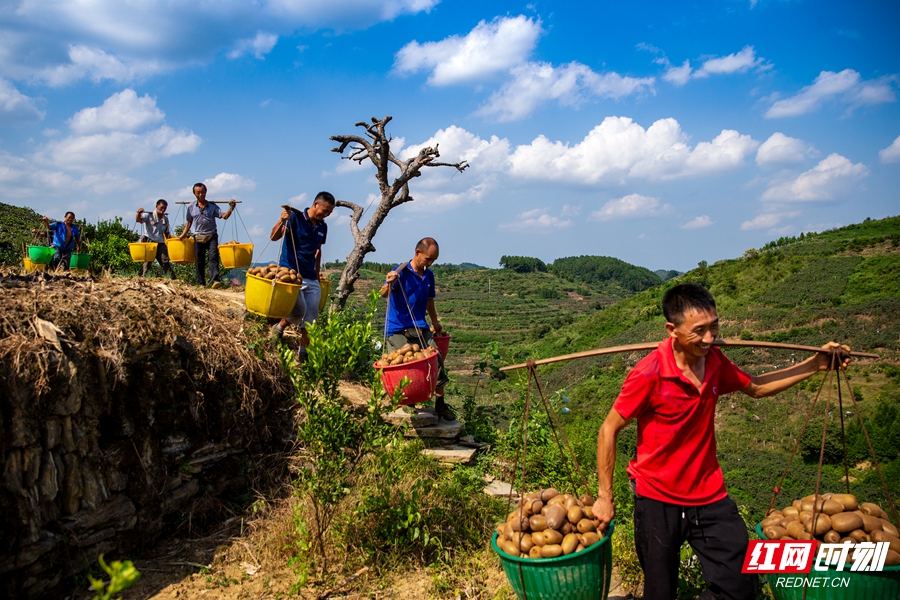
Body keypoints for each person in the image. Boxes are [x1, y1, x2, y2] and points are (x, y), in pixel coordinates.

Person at [592, 283, 851, 600]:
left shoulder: (715, 361)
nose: (710, 338)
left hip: (708, 494)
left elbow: (755, 387)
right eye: (699, 331)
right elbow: (608, 429)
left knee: (741, 585)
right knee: (659, 592)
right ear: (671, 329)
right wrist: (604, 496)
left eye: (714, 327)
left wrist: (815, 365)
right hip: (657, 497)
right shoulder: (649, 374)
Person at [381, 237, 453, 421]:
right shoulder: (401, 271)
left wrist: (435, 321)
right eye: (428, 259)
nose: (430, 263)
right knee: (403, 364)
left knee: (435, 360)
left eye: (433, 260)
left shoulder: (429, 275)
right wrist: (389, 281)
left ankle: (440, 404)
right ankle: (408, 403)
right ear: (417, 253)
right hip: (398, 328)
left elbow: (429, 299)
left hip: (420, 326)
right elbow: (383, 293)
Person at [269, 192, 335, 360]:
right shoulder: (295, 218)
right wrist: (281, 220)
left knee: (312, 315)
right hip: (291, 272)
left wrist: (317, 273)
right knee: (299, 310)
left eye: (329, 212)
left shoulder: (322, 227)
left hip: (310, 275)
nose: (325, 215)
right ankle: (279, 327)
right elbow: (274, 237)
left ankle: (303, 352)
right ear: (315, 204)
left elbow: (318, 250)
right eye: (324, 210)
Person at [178, 183, 236, 288]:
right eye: (198, 193)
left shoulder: (212, 206)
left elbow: (224, 216)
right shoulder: (191, 207)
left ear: (206, 192)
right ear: (194, 194)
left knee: (213, 257)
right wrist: (183, 234)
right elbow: (189, 222)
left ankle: (215, 281)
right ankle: (201, 283)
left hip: (211, 235)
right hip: (198, 236)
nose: (201, 195)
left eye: (202, 192)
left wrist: (231, 208)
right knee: (199, 260)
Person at [136, 199, 175, 279]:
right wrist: (138, 213)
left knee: (165, 261)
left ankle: (172, 278)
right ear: (157, 206)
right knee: (148, 262)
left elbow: (166, 232)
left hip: (160, 242)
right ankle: (144, 278)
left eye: (164, 208)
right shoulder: (149, 216)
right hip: (150, 240)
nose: (163, 210)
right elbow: (139, 220)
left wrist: (170, 241)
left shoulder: (165, 219)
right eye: (161, 208)